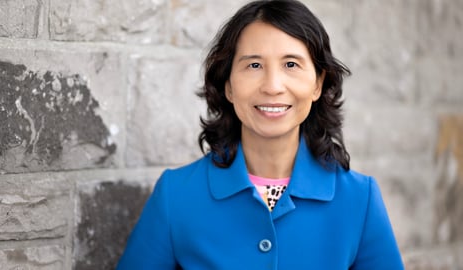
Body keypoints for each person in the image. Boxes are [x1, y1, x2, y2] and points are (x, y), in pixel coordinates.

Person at [117, 0, 404, 269]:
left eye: (291, 64)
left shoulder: (360, 199)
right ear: (228, 85)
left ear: (318, 84)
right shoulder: (175, 195)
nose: (272, 86)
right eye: (254, 65)